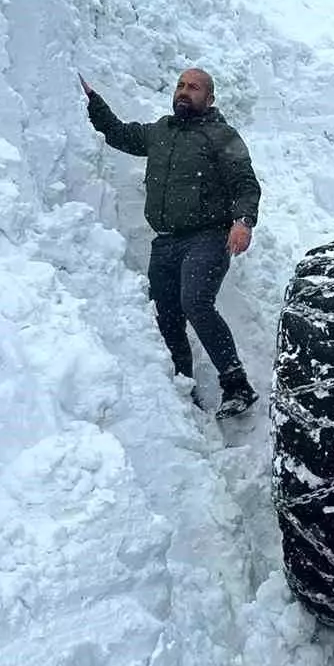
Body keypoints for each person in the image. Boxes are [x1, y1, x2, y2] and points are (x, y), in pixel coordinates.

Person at [80, 67, 261, 418]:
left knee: (195, 302)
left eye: (193, 87)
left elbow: (245, 184)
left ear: (209, 98)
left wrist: (243, 222)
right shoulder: (160, 131)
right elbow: (119, 133)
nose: (183, 91)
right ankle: (182, 388)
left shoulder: (222, 135)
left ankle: (235, 382)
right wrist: (92, 102)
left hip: (208, 237)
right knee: (167, 316)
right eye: (180, 85)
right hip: (165, 243)